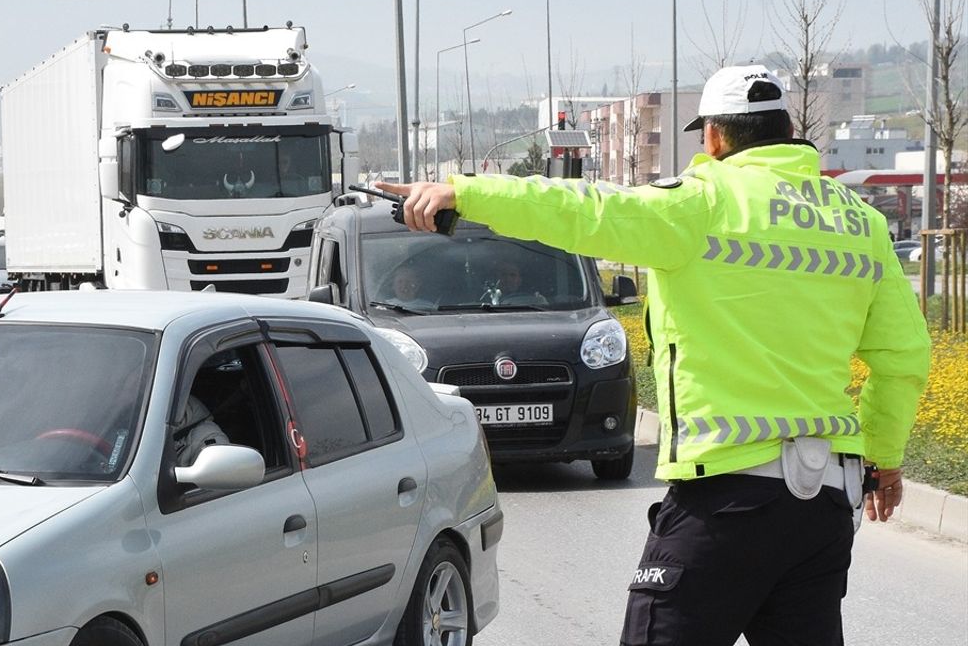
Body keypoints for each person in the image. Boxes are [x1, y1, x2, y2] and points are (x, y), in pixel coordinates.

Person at [377, 64, 931, 645]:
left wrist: (464, 191)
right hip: (823, 509)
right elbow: (903, 356)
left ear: (714, 137)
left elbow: (582, 208)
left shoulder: (701, 204)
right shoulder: (859, 222)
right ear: (788, 130)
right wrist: (883, 460)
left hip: (727, 496)